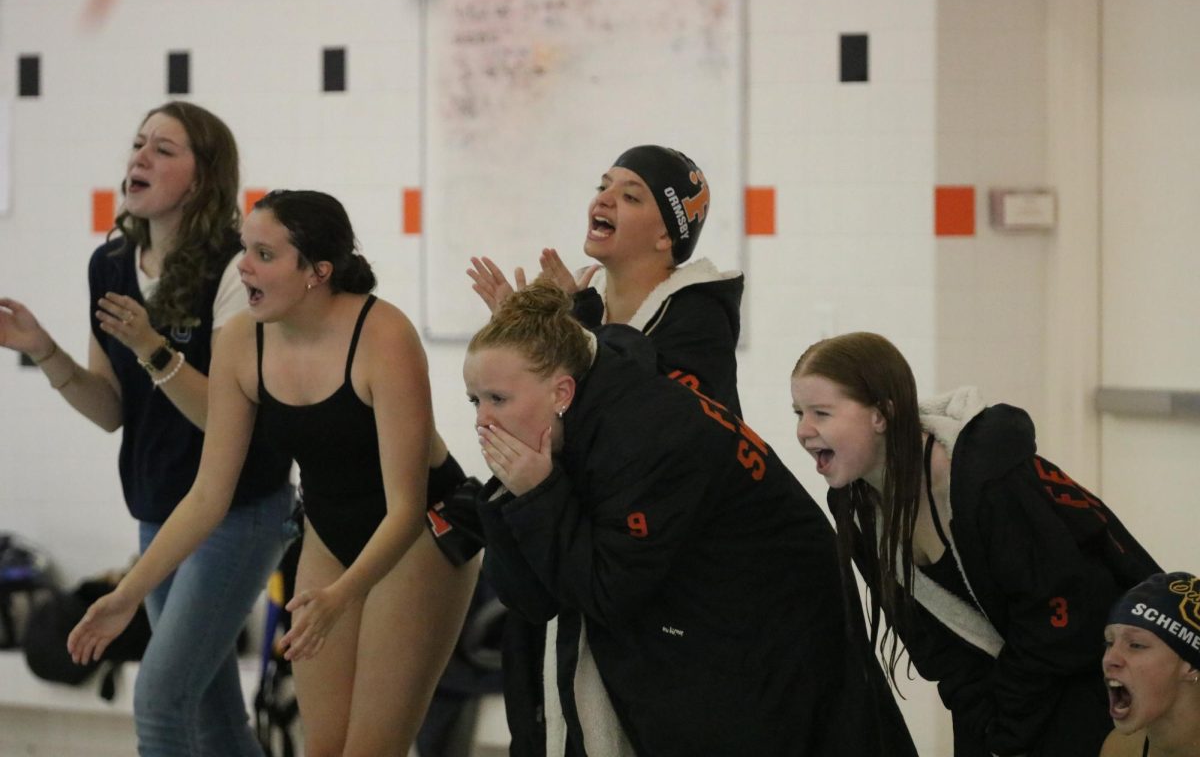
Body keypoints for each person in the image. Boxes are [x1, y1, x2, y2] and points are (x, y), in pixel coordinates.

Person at [66, 190, 479, 756]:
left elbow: (405, 506)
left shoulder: (383, 337)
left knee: (370, 751)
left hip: (420, 533)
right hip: (329, 530)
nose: (243, 266)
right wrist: (126, 596)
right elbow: (209, 495)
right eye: (245, 249)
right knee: (322, 748)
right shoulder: (242, 341)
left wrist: (341, 597)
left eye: (264, 254)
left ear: (316, 272)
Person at [464, 282, 916, 757]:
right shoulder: (576, 424)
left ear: (562, 391)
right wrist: (512, 495)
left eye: (498, 399)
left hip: (779, 624)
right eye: (475, 401)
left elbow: (606, 591)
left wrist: (538, 494)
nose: (482, 420)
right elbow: (532, 599)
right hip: (716, 619)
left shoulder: (644, 435)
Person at [0, 100, 294, 755]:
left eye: (164, 149)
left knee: (160, 701)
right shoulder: (109, 265)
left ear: (203, 175)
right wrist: (42, 348)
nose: (140, 156)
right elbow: (110, 411)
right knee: (216, 718)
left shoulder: (234, 267)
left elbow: (228, 421)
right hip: (160, 509)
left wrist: (155, 349)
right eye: (138, 144)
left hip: (239, 512)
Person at [790, 331, 1162, 757]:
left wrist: (1007, 729)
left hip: (1094, 671)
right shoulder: (854, 506)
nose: (803, 430)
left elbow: (1057, 618)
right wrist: (985, 726)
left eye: (821, 412)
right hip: (1008, 692)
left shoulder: (983, 480)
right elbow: (933, 647)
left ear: (882, 414)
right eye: (798, 412)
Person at [468, 144, 743, 413]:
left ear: (665, 236)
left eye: (630, 197)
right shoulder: (580, 295)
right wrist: (518, 337)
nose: (604, 199)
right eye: (603, 187)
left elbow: (650, 420)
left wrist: (576, 327)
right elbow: (551, 414)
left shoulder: (699, 318)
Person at [1100, 571, 1200, 757]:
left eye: (1136, 645)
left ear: (1191, 666)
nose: (1109, 658)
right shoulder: (1120, 749)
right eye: (1109, 643)